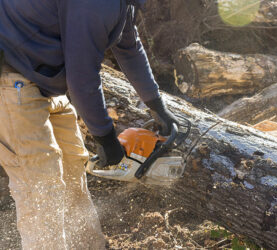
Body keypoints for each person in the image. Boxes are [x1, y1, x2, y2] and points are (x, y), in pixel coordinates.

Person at [0, 0, 177, 249]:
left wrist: (157, 105)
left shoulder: (123, 4)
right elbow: (82, 77)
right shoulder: (95, 4)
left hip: (41, 78)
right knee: (41, 182)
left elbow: (129, 47)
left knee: (73, 165)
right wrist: (105, 136)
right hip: (10, 78)